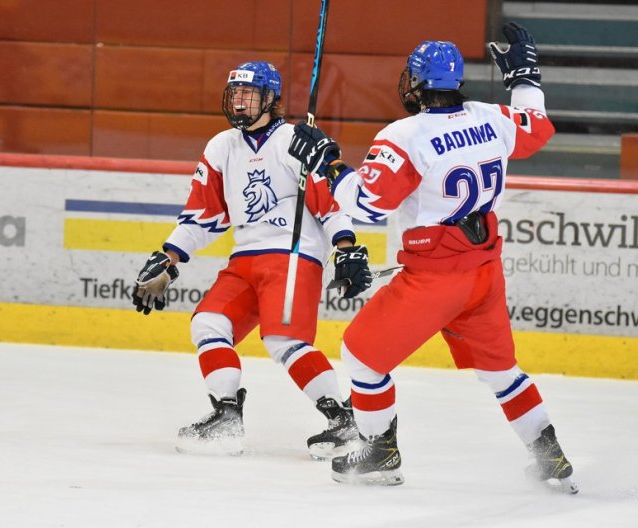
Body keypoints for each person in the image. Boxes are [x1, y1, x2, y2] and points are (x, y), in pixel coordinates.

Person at [287, 23, 578, 492]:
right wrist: (524, 77)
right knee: (502, 372)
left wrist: (328, 162)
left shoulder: (407, 134)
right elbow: (537, 127)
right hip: (483, 271)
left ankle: (380, 453)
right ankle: (551, 456)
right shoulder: (492, 116)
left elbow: (365, 204)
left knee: (362, 356)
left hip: (436, 276)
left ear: (417, 84)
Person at [131, 61, 372, 459]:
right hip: (244, 257)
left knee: (284, 340)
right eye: (235, 94)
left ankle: (345, 421)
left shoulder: (296, 139)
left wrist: (345, 247)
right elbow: (204, 214)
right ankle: (226, 416)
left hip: (293, 253)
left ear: (271, 98)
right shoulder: (221, 146)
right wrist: (169, 257)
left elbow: (330, 206)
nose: (239, 101)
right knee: (208, 322)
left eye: (249, 94)